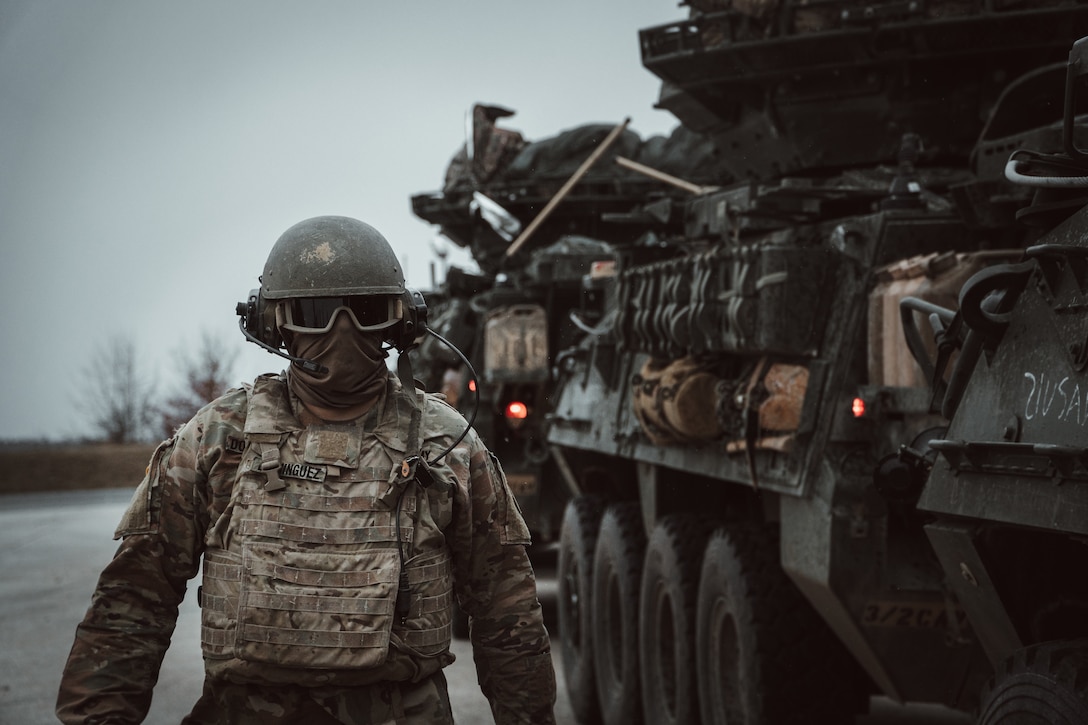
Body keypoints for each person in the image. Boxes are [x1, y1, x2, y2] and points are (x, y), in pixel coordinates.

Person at [56, 215, 557, 724]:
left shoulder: (444, 444)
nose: (342, 331)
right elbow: (134, 602)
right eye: (315, 312)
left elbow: (505, 611)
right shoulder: (219, 438)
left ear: (398, 322)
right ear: (275, 324)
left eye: (364, 311)